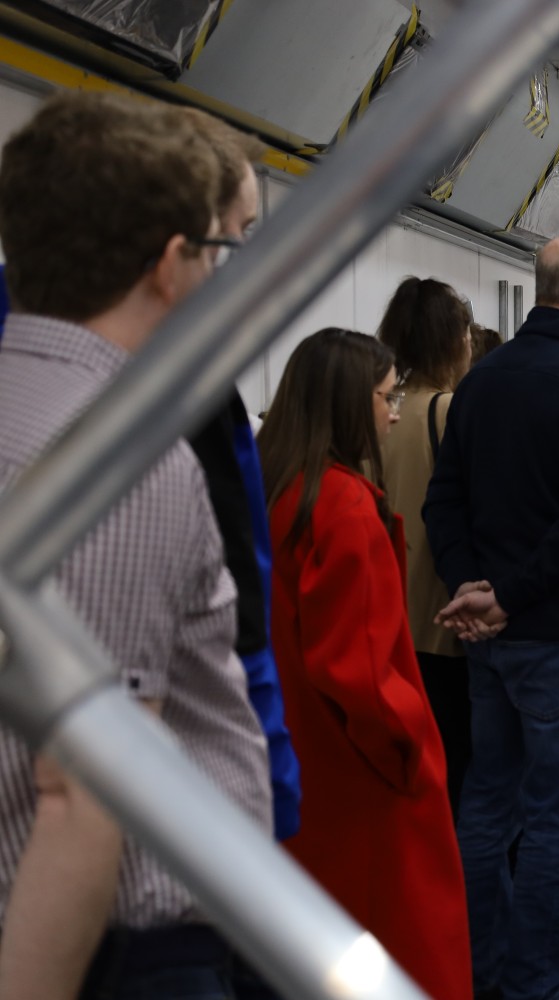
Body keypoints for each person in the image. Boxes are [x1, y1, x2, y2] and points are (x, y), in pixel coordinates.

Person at [0, 92, 274, 998]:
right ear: (170, 266)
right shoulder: (117, 464)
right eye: (219, 250)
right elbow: (84, 797)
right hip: (119, 943)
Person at [425, 235, 559, 1000]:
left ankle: (481, 980)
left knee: (486, 811)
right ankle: (533, 990)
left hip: (489, 644)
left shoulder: (482, 381)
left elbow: (441, 503)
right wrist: (507, 597)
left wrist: (471, 589)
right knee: (555, 826)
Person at [259, 328, 470, 999]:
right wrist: (413, 751)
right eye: (385, 397)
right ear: (350, 406)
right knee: (401, 952)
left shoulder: (278, 491)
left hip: (300, 763)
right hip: (360, 779)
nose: (396, 412)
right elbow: (360, 672)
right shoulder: (345, 508)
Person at [183, 108, 302, 842]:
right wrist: (274, 789)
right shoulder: (186, 409)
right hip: (194, 837)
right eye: (239, 239)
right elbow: (230, 624)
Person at [378, 276, 474, 817]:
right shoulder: (449, 412)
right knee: (455, 770)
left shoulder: (379, 411)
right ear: (451, 339)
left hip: (387, 619)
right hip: (445, 622)